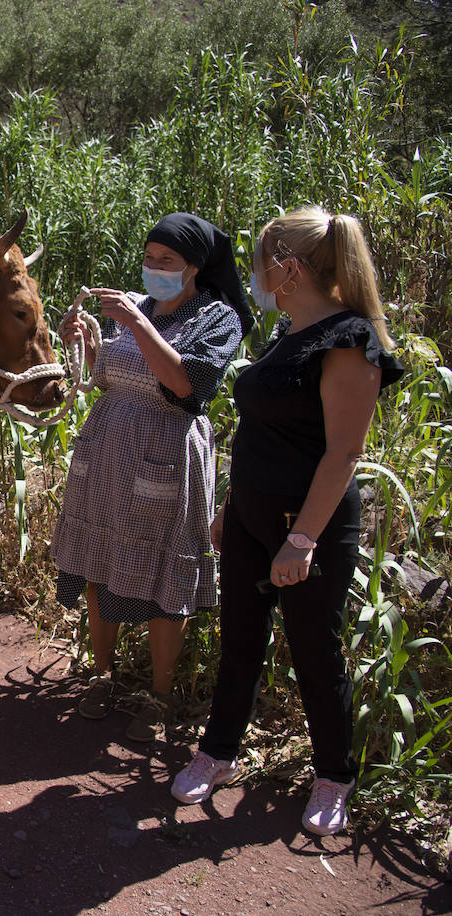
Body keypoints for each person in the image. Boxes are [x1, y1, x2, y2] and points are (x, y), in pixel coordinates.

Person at [171, 207, 403, 836]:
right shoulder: (288, 338)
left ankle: (335, 775)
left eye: (260, 263)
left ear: (289, 269)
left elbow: (343, 452)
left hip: (310, 526)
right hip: (251, 515)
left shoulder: (351, 341)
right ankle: (218, 752)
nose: (254, 275)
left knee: (315, 652)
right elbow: (262, 432)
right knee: (240, 639)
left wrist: (302, 538)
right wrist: (231, 508)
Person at [53, 212, 251, 743]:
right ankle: (103, 675)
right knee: (100, 561)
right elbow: (105, 376)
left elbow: (184, 384)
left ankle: (159, 696)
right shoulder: (134, 308)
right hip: (107, 451)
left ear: (195, 267)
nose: (153, 269)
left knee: (165, 573)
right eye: (148, 259)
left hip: (167, 451)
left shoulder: (217, 317)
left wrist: (137, 325)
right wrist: (87, 345)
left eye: (167, 262)